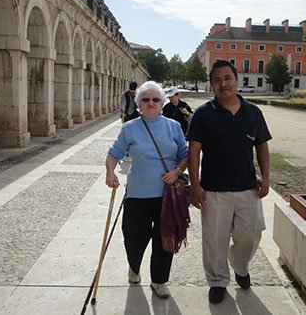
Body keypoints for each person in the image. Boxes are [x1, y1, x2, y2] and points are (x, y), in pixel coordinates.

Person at [186, 60, 271, 304]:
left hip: (248, 188)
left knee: (251, 235)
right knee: (215, 240)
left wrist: (265, 178)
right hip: (214, 190)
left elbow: (262, 146)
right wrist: (195, 186)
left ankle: (240, 266)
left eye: (227, 78)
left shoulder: (253, 112)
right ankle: (217, 281)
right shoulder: (203, 114)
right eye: (217, 80)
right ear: (212, 85)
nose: (223, 84)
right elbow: (194, 152)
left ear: (237, 80)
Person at [105, 81, 188, 299]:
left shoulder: (173, 126)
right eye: (145, 99)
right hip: (137, 194)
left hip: (166, 196)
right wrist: (110, 172)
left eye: (155, 99)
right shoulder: (129, 128)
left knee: (165, 240)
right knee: (133, 238)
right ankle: (134, 266)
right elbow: (114, 153)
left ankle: (159, 281)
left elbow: (185, 155)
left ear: (162, 102)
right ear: (138, 103)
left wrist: (177, 172)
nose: (151, 103)